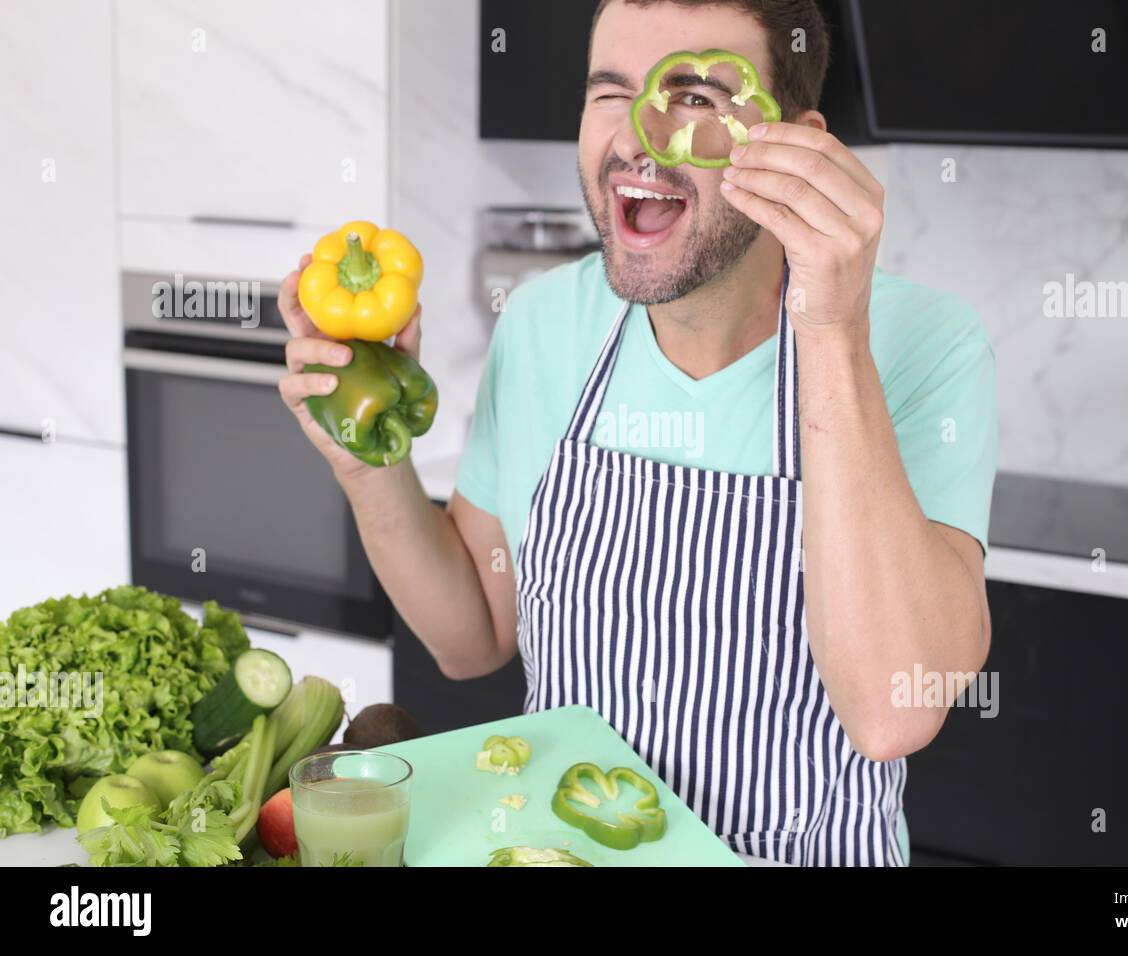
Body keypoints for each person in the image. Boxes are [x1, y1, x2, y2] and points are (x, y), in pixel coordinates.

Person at [277, 0, 996, 866]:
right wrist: (370, 472)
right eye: (610, 92)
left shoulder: (924, 343)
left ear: (798, 145)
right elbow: (470, 637)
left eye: (695, 97)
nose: (639, 137)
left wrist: (832, 328)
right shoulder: (546, 321)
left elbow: (891, 713)